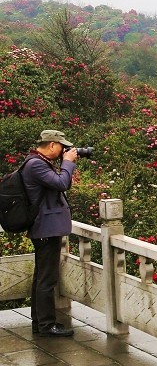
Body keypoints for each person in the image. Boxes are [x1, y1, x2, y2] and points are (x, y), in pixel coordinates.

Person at [23, 129, 79, 339]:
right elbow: (61, 183)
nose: (64, 150)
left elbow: (60, 185)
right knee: (47, 279)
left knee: (41, 278)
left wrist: (66, 164)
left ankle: (40, 323)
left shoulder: (36, 162)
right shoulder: (36, 164)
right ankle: (46, 325)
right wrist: (68, 162)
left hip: (44, 227)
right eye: (62, 146)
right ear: (52, 145)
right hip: (45, 228)